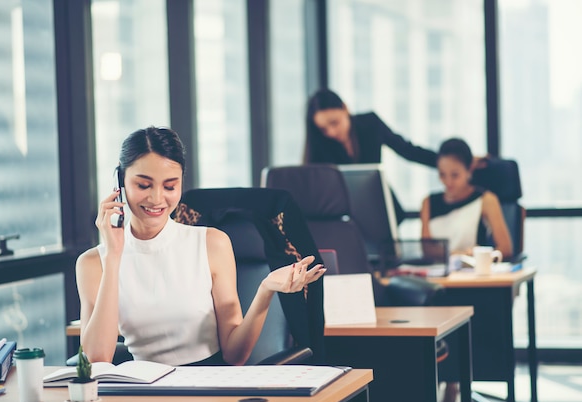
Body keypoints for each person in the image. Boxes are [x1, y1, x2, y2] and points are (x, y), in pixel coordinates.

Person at [76, 126, 327, 366]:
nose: (156, 198)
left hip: (209, 387)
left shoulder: (211, 243)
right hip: (144, 392)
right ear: (119, 183)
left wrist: (265, 290)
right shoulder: (93, 263)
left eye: (170, 186)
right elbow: (97, 360)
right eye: (143, 185)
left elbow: (235, 355)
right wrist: (114, 256)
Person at [420, 137, 512, 402]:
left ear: (470, 171)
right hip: (439, 281)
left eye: (455, 175)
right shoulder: (429, 202)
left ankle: (453, 380)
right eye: (442, 175)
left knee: (463, 312)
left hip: (473, 283)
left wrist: (473, 252)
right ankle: (439, 380)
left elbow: (506, 248)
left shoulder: (486, 199)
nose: (448, 182)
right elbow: (425, 247)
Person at [303, 88, 438, 167]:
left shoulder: (370, 124)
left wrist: (445, 162)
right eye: (323, 129)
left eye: (334, 123)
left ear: (345, 108)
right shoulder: (319, 143)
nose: (331, 132)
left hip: (374, 195)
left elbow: (407, 149)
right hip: (338, 205)